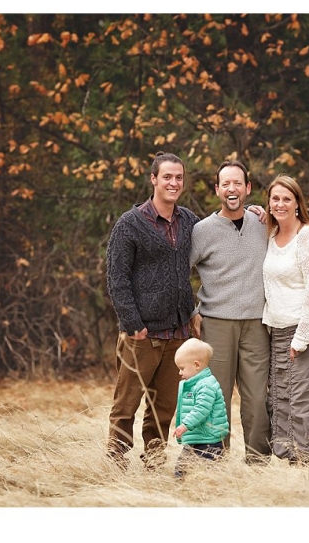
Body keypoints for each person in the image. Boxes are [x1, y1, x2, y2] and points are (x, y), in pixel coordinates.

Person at [105, 151, 199, 469]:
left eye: (179, 177)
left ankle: (154, 462)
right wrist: (133, 324)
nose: (174, 182)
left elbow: (218, 232)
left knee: (164, 408)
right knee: (126, 404)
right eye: (167, 177)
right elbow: (117, 278)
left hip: (177, 333)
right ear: (154, 179)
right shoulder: (130, 224)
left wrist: (253, 212)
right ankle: (115, 460)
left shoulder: (188, 221)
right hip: (142, 334)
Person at [189, 160, 272, 465]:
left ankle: (258, 464)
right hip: (217, 325)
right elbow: (177, 271)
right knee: (216, 399)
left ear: (248, 188)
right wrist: (190, 311)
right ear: (217, 190)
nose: (232, 189)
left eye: (237, 183)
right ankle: (213, 463)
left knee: (257, 399)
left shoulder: (264, 224)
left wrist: (264, 211)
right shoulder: (202, 231)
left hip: (256, 323)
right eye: (226, 184)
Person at [261, 174, 309, 463]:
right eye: (275, 198)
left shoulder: (307, 236)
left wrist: (301, 338)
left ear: (297, 203)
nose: (280, 204)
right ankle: (293, 467)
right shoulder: (269, 236)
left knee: (305, 403)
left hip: (304, 333)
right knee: (281, 402)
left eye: (286, 199)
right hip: (275, 330)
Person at [171, 338, 230, 478]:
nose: (180, 373)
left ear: (196, 365)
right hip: (196, 437)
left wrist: (185, 425)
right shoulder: (195, 384)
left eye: (182, 368)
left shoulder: (206, 385)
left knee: (210, 472)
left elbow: (201, 409)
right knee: (181, 470)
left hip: (209, 440)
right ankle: (180, 492)